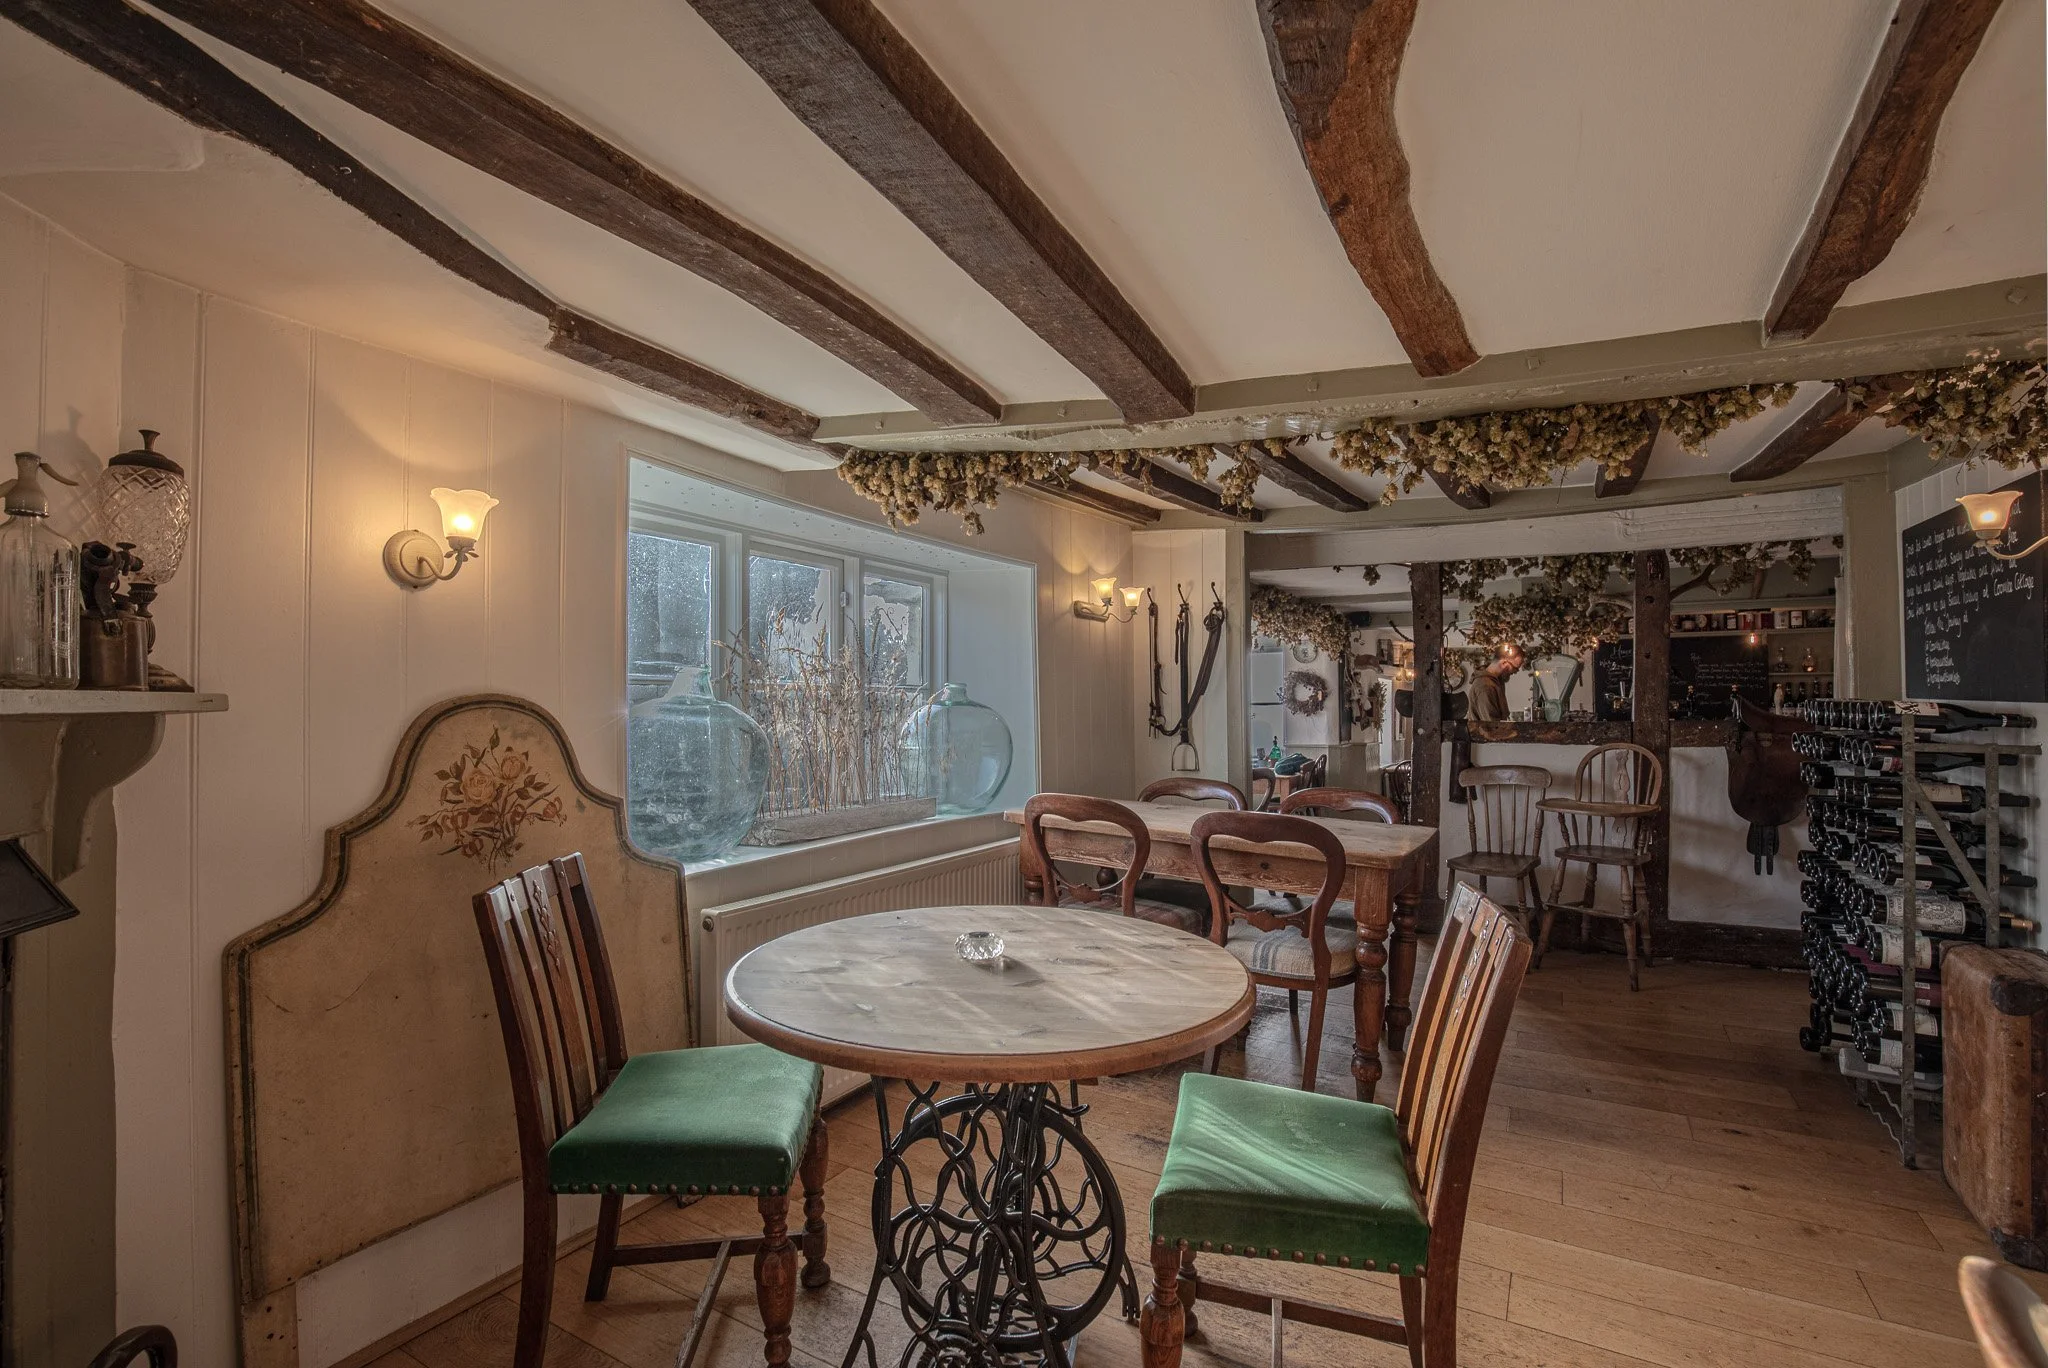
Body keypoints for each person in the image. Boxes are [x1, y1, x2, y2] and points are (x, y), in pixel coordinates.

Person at [1466, 643, 1525, 721]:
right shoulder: (1485, 687)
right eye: (1515, 668)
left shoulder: (1496, 682)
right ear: (1503, 663)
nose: (1515, 672)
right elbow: (1491, 726)